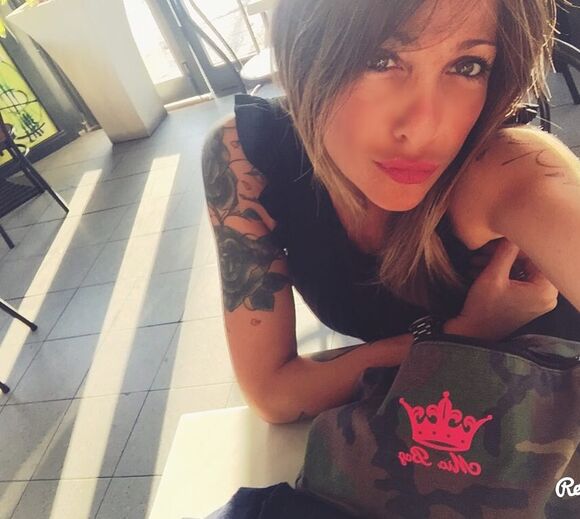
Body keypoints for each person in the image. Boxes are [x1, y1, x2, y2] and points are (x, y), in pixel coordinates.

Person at [201, 0, 580, 426]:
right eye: (379, 60)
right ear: (302, 50)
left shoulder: (505, 168)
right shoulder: (247, 157)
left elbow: (548, 196)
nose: (423, 127)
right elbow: (273, 395)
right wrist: (467, 332)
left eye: (468, 66)